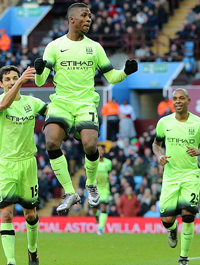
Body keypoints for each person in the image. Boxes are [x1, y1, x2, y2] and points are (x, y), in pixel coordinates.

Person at [34, 2, 138, 214]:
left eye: (90, 16)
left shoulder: (95, 48)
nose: (89, 19)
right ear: (72, 19)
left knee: (90, 145)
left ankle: (91, 184)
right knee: (52, 141)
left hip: (85, 104)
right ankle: (70, 192)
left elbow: (111, 76)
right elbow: (40, 81)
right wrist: (38, 70)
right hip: (61, 103)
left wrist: (125, 71)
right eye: (84, 15)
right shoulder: (54, 46)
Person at [0, 65, 47, 265]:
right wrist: (21, 81)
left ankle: (32, 249)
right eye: (7, 79)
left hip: (27, 164)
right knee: (6, 213)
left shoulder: (32, 103)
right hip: (5, 164)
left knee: (30, 214)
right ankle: (11, 263)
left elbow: (52, 114)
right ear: (1, 83)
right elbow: (4, 104)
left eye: (15, 78)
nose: (12, 81)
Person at [153, 88, 200, 265]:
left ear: (189, 100)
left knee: (188, 216)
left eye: (182, 98)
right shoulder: (164, 122)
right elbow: (156, 144)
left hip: (190, 176)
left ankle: (183, 258)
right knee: (167, 220)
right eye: (175, 99)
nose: (178, 101)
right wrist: (158, 156)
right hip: (170, 177)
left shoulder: (199, 124)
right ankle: (172, 231)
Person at [92, 144, 112, 235]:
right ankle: (96, 217)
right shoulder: (92, 162)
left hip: (104, 188)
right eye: (99, 150)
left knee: (103, 207)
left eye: (102, 150)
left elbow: (110, 173)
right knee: (94, 209)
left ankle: (100, 228)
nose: (101, 151)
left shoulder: (108, 162)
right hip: (94, 188)